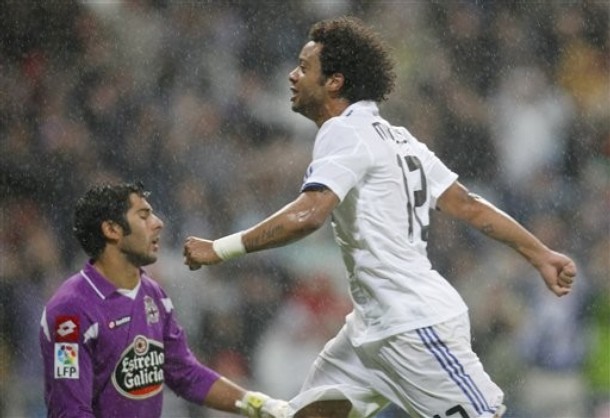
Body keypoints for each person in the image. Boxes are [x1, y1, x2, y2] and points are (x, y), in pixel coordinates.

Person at [183, 17, 577, 418]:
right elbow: (469, 205)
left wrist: (220, 249)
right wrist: (541, 254)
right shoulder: (399, 138)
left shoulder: (343, 132)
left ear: (334, 82)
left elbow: (309, 215)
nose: (293, 75)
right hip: (371, 330)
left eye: (304, 67)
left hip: (413, 326)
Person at [39, 182, 291, 418]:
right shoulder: (70, 311)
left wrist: (262, 406)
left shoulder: (153, 294)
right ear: (112, 229)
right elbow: (70, 411)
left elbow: (186, 374)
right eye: (144, 216)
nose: (158, 223)